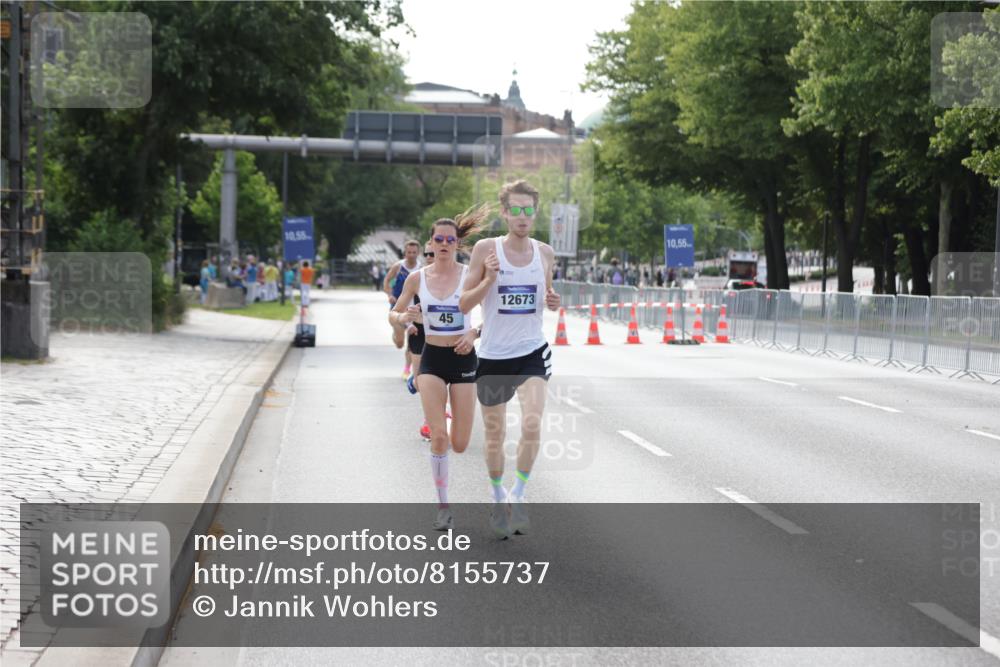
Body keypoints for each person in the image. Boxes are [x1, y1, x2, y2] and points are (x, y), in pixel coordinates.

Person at [460, 179, 560, 539]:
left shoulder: (545, 253)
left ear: (535, 212)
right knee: (494, 434)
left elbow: (546, 295)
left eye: (528, 209)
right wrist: (488, 279)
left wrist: (553, 301)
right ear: (504, 212)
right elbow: (464, 304)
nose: (522, 216)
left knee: (532, 424)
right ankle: (496, 493)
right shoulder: (486, 249)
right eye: (515, 209)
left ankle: (518, 494)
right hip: (493, 356)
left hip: (532, 351)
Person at [391, 211, 488, 530]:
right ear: (430, 243)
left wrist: (473, 333)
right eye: (439, 239)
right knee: (439, 437)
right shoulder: (418, 278)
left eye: (451, 240)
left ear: (458, 244)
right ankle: (443, 506)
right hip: (431, 359)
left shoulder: (470, 275)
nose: (444, 244)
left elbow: (496, 319)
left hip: (462, 360)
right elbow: (396, 312)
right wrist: (404, 318)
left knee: (460, 442)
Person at [384, 240, 423, 379]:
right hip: (399, 308)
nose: (411, 255)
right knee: (400, 344)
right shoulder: (398, 266)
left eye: (414, 252)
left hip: (414, 308)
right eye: (409, 252)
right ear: (404, 253)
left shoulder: (421, 267)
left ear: (418, 253)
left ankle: (407, 369)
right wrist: (389, 294)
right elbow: (387, 280)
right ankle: (396, 333)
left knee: (413, 338)